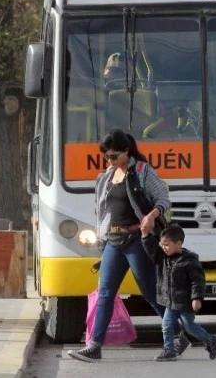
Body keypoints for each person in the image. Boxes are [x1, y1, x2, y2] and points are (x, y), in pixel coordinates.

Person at [68, 129, 179, 363]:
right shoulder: (106, 177)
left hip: (137, 239)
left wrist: (151, 216)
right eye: (106, 157)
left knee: (150, 290)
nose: (109, 161)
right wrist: (101, 237)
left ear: (127, 152)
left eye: (114, 156)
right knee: (105, 292)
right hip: (114, 241)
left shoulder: (142, 171)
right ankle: (94, 346)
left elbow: (164, 199)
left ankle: (179, 332)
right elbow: (102, 210)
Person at [141, 224, 216, 362]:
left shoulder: (189, 260)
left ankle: (211, 340)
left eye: (167, 244)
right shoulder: (162, 257)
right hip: (170, 302)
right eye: (162, 244)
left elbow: (198, 281)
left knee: (189, 326)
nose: (164, 247)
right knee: (166, 325)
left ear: (179, 244)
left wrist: (196, 298)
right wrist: (145, 236)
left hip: (185, 302)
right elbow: (151, 249)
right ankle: (169, 350)